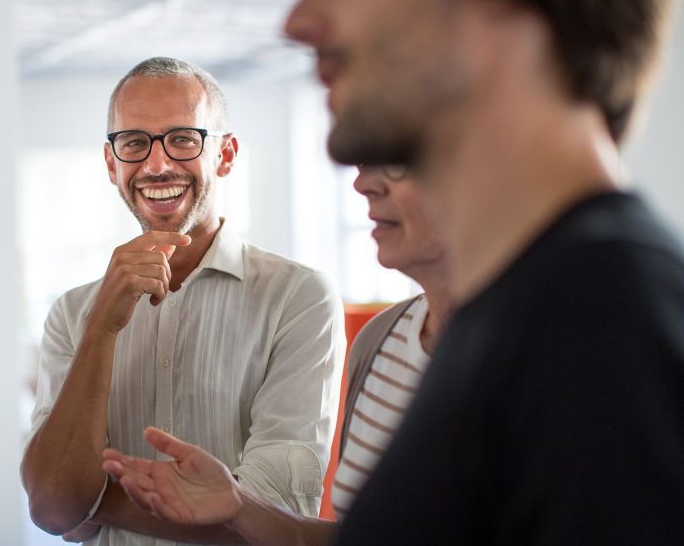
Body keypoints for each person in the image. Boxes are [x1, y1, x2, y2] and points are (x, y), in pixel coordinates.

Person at [108, 0, 684, 543]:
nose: (300, 20)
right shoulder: (517, 309)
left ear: (505, 4)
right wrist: (239, 507)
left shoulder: (608, 323)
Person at [20, 56, 345, 545]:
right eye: (134, 143)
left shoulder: (298, 298)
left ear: (226, 154)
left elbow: (269, 520)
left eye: (183, 139)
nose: (156, 164)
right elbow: (51, 508)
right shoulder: (73, 314)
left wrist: (91, 499)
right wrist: (101, 330)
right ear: (112, 164)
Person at [101, 162, 453, 545]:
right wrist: (240, 506)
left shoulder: (524, 355)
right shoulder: (380, 340)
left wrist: (94, 502)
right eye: (366, 163)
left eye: (399, 159)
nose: (363, 182)